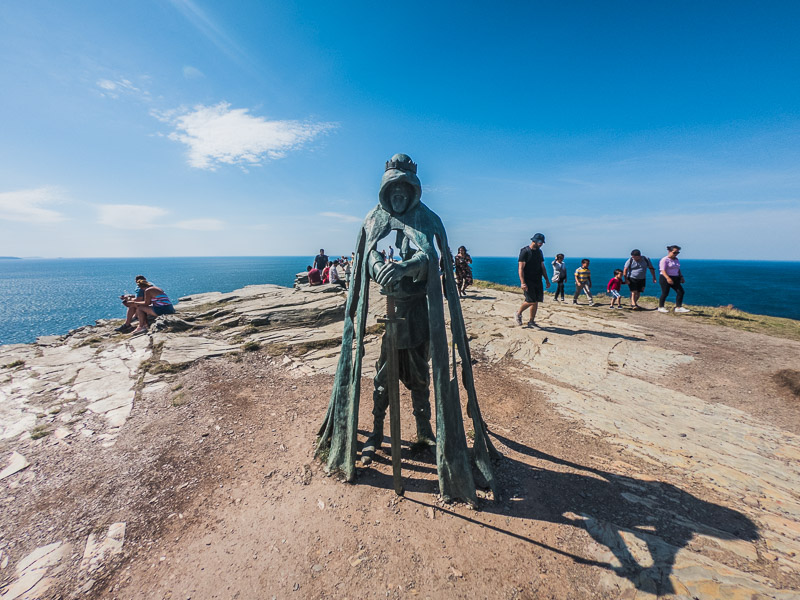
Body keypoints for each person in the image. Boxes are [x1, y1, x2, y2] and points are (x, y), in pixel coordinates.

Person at [316, 153, 497, 506]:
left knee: (419, 376)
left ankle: (425, 432)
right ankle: (378, 432)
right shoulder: (373, 219)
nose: (398, 196)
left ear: (412, 190)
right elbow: (366, 252)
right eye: (393, 190)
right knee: (383, 379)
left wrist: (409, 267)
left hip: (417, 313)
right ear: (386, 191)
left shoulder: (427, 219)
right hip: (389, 313)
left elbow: (431, 257)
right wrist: (378, 264)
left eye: (404, 190)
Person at [515, 233, 551, 327]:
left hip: (538, 279)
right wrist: (522, 282)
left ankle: (531, 321)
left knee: (536, 300)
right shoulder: (525, 251)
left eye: (542, 242)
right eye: (539, 242)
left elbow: (542, 267)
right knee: (530, 300)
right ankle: (518, 313)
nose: (541, 244)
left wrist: (546, 279)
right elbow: (521, 268)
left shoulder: (539, 252)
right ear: (534, 240)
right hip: (528, 280)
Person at [658, 245, 690, 313]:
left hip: (675, 277)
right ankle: (661, 307)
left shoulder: (676, 260)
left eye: (677, 253)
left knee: (680, 291)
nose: (676, 254)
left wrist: (681, 276)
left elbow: (678, 269)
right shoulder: (665, 259)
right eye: (674, 252)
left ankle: (678, 307)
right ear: (669, 251)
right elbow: (662, 270)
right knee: (665, 293)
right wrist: (668, 278)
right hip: (665, 277)